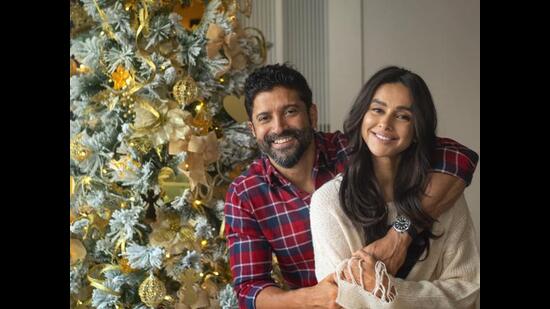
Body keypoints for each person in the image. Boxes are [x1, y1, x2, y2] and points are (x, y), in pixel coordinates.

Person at [224, 64, 479, 309]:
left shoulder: (358, 148)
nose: (279, 127)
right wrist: (314, 298)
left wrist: (399, 235)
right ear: (252, 128)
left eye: (290, 112)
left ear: (312, 114)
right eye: (265, 118)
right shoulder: (246, 193)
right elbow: (250, 289)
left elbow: (459, 159)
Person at [310, 66, 480, 308]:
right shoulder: (329, 202)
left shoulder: (443, 195)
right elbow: (342, 299)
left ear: (417, 129)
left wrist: (391, 292)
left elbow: (469, 289)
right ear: (362, 116)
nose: (385, 123)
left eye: (402, 116)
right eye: (377, 110)